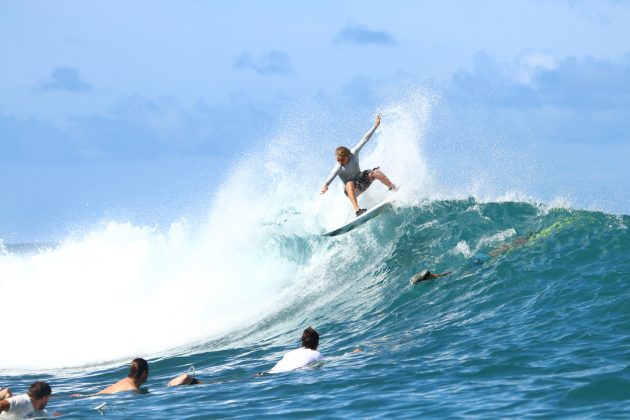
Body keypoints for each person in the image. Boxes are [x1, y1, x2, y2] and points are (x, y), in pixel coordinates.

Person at [320, 113, 397, 217]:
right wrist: (325, 186)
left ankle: (393, 188)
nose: (339, 162)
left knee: (375, 172)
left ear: (348, 155)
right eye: (337, 160)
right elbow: (330, 177)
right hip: (353, 190)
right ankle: (358, 211)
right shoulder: (338, 168)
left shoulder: (354, 153)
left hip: (362, 181)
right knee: (349, 183)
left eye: (341, 160)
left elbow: (365, 139)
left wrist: (375, 126)